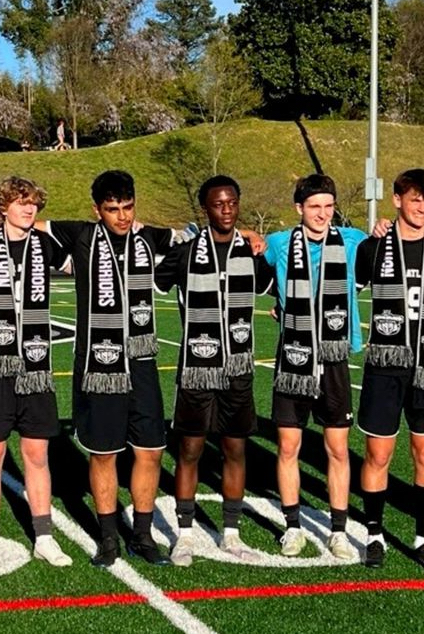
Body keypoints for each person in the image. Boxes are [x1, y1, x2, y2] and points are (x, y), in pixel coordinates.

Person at [153, 175, 274, 567]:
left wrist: (257, 240)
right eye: (218, 204)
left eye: (232, 203)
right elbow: (155, 278)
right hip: (197, 367)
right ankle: (185, 534)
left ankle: (231, 533)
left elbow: (271, 279)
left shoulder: (252, 251)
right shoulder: (186, 251)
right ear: (205, 208)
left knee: (235, 449)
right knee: (189, 449)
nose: (226, 210)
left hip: (238, 365)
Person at [353, 169, 424, 571]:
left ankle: (422, 538)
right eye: (415, 199)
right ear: (396, 200)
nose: (422, 207)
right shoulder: (374, 247)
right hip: (386, 364)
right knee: (378, 453)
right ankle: (375, 534)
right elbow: (354, 283)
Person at [0, 176, 73, 571]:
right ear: (3, 208)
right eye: (20, 202)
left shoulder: (45, 244)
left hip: (35, 365)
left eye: (33, 204)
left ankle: (44, 536)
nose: (29, 209)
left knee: (36, 453)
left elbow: (85, 242)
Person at [263, 173, 365, 561]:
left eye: (328, 206)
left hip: (335, 355)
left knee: (337, 448)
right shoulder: (278, 243)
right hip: (294, 355)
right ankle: (293, 527)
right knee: (289, 445)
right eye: (314, 207)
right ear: (299, 209)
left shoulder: (353, 241)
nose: (322, 214)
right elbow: (258, 264)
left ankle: (338, 530)